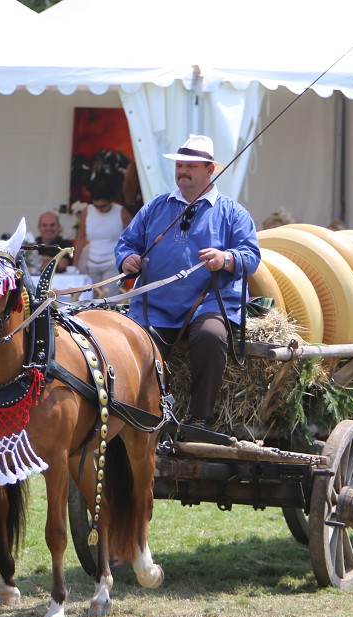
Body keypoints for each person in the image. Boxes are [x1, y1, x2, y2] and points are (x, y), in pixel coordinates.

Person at [116, 134, 260, 429]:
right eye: (180, 165)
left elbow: (251, 256)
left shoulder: (233, 213)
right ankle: (139, 417)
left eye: (191, 166)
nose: (182, 171)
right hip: (155, 306)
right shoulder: (155, 207)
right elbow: (127, 243)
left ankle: (199, 418)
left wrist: (226, 258)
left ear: (210, 170)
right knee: (130, 346)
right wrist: (127, 259)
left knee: (211, 336)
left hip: (207, 303)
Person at [74, 185, 132, 286]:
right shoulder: (87, 211)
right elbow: (80, 238)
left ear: (112, 201)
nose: (100, 209)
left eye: (103, 206)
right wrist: (75, 263)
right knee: (92, 299)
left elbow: (133, 235)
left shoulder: (121, 211)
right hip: (91, 264)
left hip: (113, 263)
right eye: (96, 206)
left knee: (109, 299)